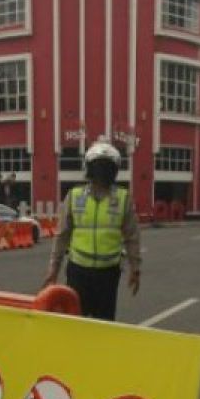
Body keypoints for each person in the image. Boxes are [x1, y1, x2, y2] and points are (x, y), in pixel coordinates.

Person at [43, 137, 141, 320]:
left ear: (114, 170)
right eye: (98, 165)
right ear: (89, 168)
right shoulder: (74, 196)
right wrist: (53, 270)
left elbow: (132, 237)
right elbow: (61, 235)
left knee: (104, 321)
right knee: (76, 320)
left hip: (108, 273)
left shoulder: (123, 198)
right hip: (78, 271)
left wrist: (135, 268)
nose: (101, 170)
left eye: (106, 166)